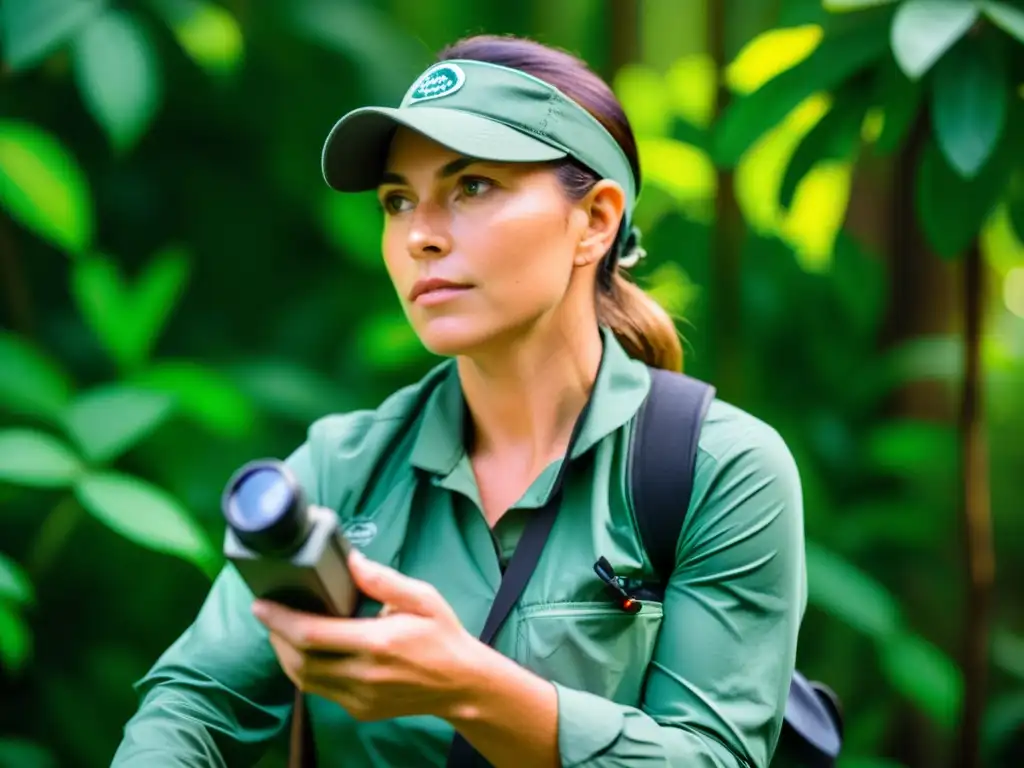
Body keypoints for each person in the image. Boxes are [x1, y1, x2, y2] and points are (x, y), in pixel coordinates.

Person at [110, 33, 807, 768]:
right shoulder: (341, 468)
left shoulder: (715, 471)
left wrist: (468, 688)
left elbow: (713, 759)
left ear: (595, 222)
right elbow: (193, 704)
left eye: (471, 186)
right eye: (396, 199)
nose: (419, 236)